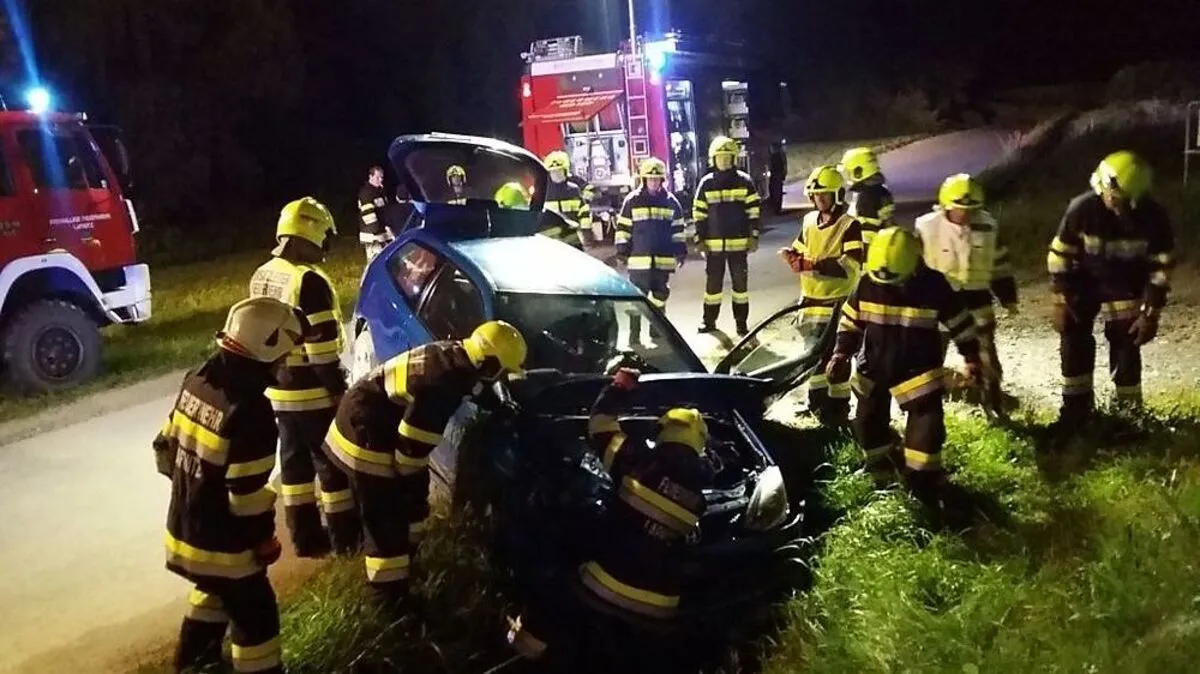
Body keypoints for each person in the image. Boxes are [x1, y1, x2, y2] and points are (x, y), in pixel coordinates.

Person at [507, 367, 715, 664]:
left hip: (605, 585)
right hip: (658, 607)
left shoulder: (638, 463)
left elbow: (600, 426)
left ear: (663, 434)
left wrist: (618, 388)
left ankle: (525, 649)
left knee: (557, 555)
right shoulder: (699, 499)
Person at [322, 321, 527, 609]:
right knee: (387, 520)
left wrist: (501, 406)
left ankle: (352, 552)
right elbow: (410, 452)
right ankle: (389, 600)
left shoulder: (454, 355)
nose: (501, 379)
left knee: (386, 504)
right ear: (489, 364)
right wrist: (412, 494)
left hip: (355, 415)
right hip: (365, 434)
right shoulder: (441, 388)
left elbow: (476, 386)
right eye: (501, 372)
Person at [153, 297, 304, 674]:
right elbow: (246, 497)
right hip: (224, 550)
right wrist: (263, 541)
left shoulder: (198, 378)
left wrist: (195, 488)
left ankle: (193, 665)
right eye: (284, 355)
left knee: (214, 591)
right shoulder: (252, 412)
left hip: (183, 533)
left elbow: (163, 448)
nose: (286, 363)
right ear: (266, 348)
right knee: (256, 614)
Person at [828, 227, 988, 508]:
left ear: (915, 264)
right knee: (867, 424)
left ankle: (923, 487)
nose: (889, 286)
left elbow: (960, 323)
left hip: (918, 372)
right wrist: (841, 353)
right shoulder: (867, 283)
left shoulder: (934, 285)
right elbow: (851, 322)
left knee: (925, 434)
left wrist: (971, 357)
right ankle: (882, 474)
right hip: (874, 367)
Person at [249, 197, 359, 557]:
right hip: (312, 393)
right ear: (307, 233)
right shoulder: (308, 281)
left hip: (278, 392)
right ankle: (346, 541)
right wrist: (340, 392)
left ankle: (305, 539)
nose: (326, 248)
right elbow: (322, 352)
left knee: (294, 469)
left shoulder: (263, 274)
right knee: (332, 469)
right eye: (324, 238)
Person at [1046, 151, 1175, 424]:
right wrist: (1060, 299)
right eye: (1111, 195)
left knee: (1127, 342)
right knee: (1074, 339)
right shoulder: (1082, 209)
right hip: (1082, 283)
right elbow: (1060, 255)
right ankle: (1076, 414)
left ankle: (1128, 417)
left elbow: (1161, 270)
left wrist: (1150, 314)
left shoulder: (1154, 217)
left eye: (1122, 198)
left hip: (1124, 285)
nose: (1114, 202)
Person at [915, 174, 1017, 405]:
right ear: (945, 205)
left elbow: (999, 263)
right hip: (938, 300)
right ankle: (925, 403)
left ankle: (992, 401)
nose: (965, 214)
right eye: (959, 209)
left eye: (970, 209)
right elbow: (915, 265)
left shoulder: (988, 226)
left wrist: (1007, 296)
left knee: (985, 355)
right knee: (929, 355)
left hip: (977, 300)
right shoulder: (926, 227)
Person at [779, 165, 864, 424]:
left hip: (837, 306)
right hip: (810, 304)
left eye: (825, 194)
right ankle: (816, 404)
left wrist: (812, 264)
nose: (820, 199)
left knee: (836, 361)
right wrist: (791, 256)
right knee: (813, 359)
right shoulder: (809, 221)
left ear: (838, 194)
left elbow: (850, 266)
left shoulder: (850, 225)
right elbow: (799, 248)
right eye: (816, 195)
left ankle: (837, 410)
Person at [693, 135, 762, 335]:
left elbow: (753, 212)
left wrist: (754, 236)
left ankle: (741, 324)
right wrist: (699, 239)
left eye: (727, 157)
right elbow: (699, 214)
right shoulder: (706, 184)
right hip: (713, 248)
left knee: (740, 288)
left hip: (739, 247)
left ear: (734, 158)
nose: (723, 161)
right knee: (712, 288)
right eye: (720, 157)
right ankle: (709, 321)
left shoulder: (745, 182)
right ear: (713, 159)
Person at [615, 157, 687, 345]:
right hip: (639, 262)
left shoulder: (671, 202)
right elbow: (623, 228)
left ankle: (657, 334)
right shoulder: (632, 201)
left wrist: (680, 251)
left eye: (657, 179)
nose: (654, 182)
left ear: (662, 180)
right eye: (650, 179)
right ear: (644, 179)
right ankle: (634, 336)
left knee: (660, 298)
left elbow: (678, 230)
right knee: (637, 300)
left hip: (662, 262)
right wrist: (622, 250)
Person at [840, 146, 897, 248]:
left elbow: (866, 234)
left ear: (858, 172)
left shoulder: (864, 198)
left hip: (869, 249)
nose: (846, 175)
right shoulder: (882, 191)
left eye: (848, 171)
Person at [542, 151, 591, 249]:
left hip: (573, 235)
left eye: (559, 171)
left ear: (565, 171)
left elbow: (584, 212)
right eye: (553, 172)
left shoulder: (573, 190)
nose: (556, 174)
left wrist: (586, 232)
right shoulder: (543, 191)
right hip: (551, 238)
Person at [358, 165, 393, 263]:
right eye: (377, 177)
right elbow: (369, 216)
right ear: (370, 176)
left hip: (382, 234)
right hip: (372, 235)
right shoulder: (366, 192)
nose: (380, 180)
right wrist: (377, 234)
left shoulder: (381, 191)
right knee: (375, 262)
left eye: (382, 177)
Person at [767, 140, 788, 215]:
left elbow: (782, 165)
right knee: (775, 191)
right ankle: (776, 207)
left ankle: (776, 208)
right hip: (776, 175)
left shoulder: (776, 156)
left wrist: (783, 173)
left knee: (776, 191)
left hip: (776, 175)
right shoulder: (777, 155)